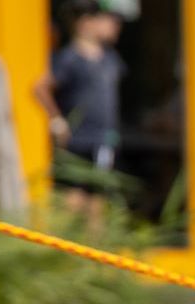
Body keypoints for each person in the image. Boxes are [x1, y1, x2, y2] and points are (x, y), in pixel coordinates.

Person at [32, 0, 126, 225]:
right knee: (71, 198)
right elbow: (41, 87)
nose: (114, 25)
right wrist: (56, 119)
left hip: (102, 139)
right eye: (107, 20)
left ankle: (93, 252)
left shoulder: (110, 59)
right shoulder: (70, 58)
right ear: (86, 23)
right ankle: (69, 251)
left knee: (97, 198)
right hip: (76, 138)